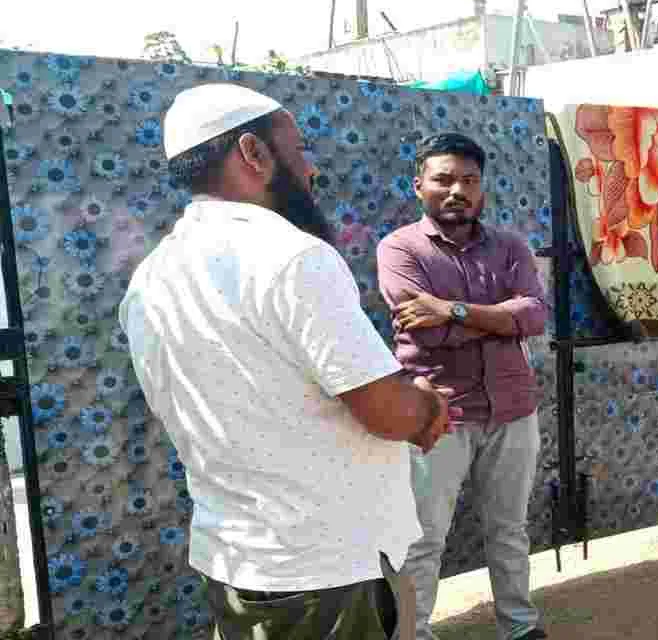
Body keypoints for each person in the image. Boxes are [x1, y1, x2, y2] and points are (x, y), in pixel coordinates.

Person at [120, 83, 455, 640]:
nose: (311, 170)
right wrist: (427, 406)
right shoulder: (293, 257)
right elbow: (388, 412)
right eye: (299, 151)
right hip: (327, 573)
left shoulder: (151, 278)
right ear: (254, 153)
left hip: (236, 563)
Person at [376, 132, 550, 640]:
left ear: (482, 188)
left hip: (512, 408)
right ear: (419, 185)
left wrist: (451, 310)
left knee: (510, 530)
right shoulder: (399, 249)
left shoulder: (509, 246)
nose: (458, 191)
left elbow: (535, 315)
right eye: (444, 179)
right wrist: (501, 320)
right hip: (437, 413)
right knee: (423, 537)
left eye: (469, 181)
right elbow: (423, 331)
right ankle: (413, 633)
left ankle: (519, 626)